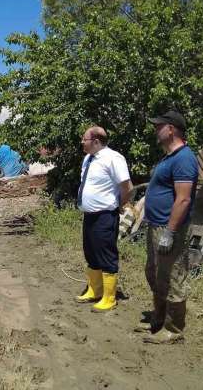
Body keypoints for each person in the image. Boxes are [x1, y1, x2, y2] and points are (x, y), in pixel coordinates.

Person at [138, 110, 198, 343]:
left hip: (168, 228)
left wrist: (171, 233)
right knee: (153, 273)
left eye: (159, 125)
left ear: (171, 129)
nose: (155, 129)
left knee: (173, 277)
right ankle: (158, 318)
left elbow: (183, 199)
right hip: (155, 225)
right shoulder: (169, 157)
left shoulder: (184, 158)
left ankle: (174, 330)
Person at [75, 126, 133, 312]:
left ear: (96, 141)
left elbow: (127, 186)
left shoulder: (113, 158)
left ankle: (109, 297)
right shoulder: (88, 159)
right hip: (89, 215)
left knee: (106, 254)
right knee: (91, 253)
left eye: (84, 139)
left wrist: (120, 204)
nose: (82, 143)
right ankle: (95, 290)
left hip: (105, 215)